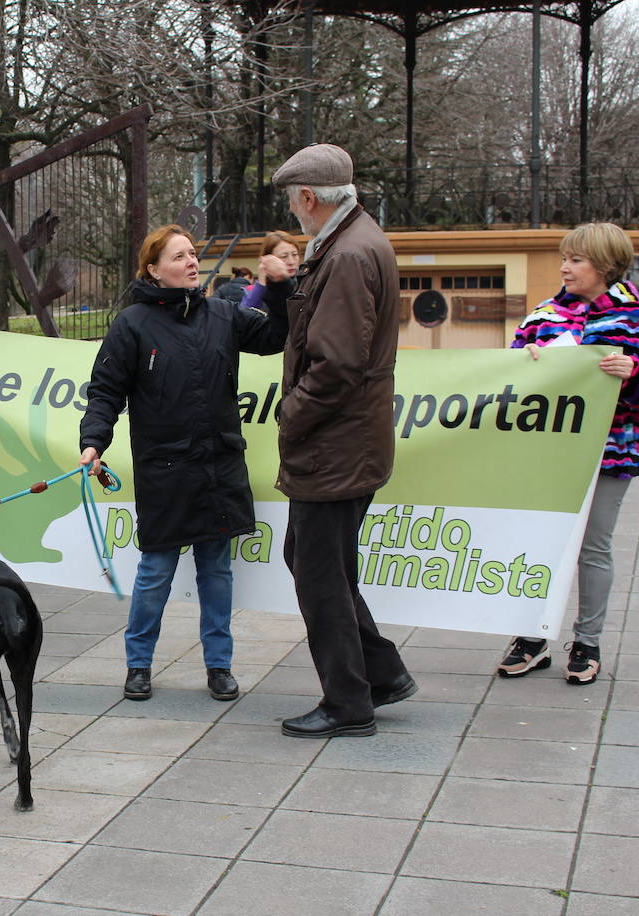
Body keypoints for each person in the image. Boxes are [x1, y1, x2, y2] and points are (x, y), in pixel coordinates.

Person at [79, 224, 287, 703]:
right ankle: (138, 665)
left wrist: (278, 288)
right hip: (165, 471)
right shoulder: (131, 323)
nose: (192, 262)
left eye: (193, 254)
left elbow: (277, 335)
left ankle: (219, 666)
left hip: (218, 467)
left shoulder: (223, 314)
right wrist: (94, 443)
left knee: (217, 571)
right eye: (179, 256)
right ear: (153, 269)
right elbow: (105, 392)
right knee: (155, 573)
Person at [270, 143, 417, 739]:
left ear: (309, 197)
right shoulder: (351, 239)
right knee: (311, 561)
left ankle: (347, 702)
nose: (291, 210)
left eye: (291, 200)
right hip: (345, 442)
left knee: (320, 574)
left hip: (335, 445)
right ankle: (380, 673)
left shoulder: (349, 254)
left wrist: (291, 415)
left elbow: (335, 364)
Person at [496, 223, 639, 684]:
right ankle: (532, 638)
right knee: (541, 544)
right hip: (548, 454)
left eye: (575, 260)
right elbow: (509, 378)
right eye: (565, 258)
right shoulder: (542, 316)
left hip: (610, 454)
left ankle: (587, 643)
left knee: (593, 548)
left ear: (604, 264)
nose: (564, 267)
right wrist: (528, 363)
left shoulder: (637, 318)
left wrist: (635, 372)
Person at [242, 232, 303, 313]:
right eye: (284, 256)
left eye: (295, 255)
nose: (291, 261)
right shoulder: (257, 289)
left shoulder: (306, 283)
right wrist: (261, 284)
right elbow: (244, 314)